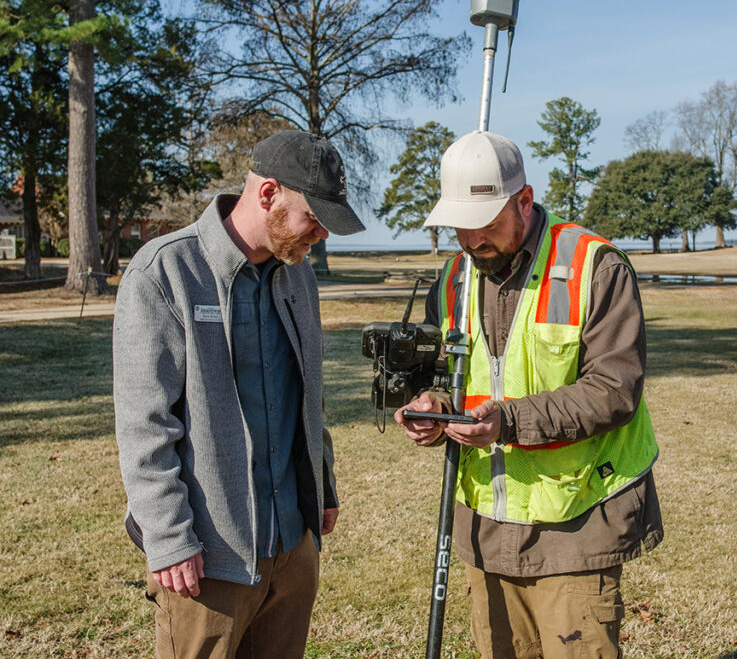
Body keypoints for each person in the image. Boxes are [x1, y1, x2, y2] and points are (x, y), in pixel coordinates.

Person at [396, 130, 662, 658]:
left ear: (525, 200)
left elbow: (614, 390)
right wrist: (433, 407)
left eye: (486, 225)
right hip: (485, 528)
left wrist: (507, 422)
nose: (471, 243)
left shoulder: (594, 266)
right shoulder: (453, 279)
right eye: (459, 229)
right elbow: (446, 378)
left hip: (577, 521)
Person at [113, 130, 364, 658]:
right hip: (208, 562)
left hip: (293, 548)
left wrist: (323, 484)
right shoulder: (164, 273)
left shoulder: (299, 277)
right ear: (268, 193)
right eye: (312, 219)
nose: (319, 235)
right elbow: (145, 426)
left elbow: (308, 395)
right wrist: (169, 538)